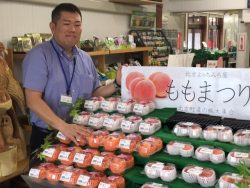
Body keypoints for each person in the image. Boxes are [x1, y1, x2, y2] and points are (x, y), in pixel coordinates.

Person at [22, 3, 122, 160]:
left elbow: (94, 93)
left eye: (77, 24)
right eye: (66, 24)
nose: (73, 29)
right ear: (53, 27)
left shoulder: (85, 58)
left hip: (78, 134)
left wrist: (117, 83)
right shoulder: (39, 56)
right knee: (44, 180)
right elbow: (32, 100)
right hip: (47, 136)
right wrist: (63, 126)